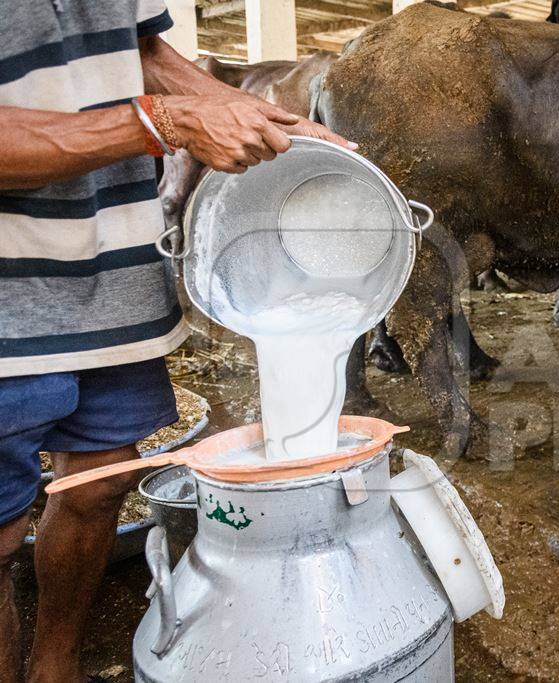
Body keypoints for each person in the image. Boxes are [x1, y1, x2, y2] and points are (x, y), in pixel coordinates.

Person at [0, 2, 354, 680]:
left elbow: (141, 53)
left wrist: (282, 126)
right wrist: (165, 123)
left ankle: (55, 665)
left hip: (112, 266)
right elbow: (158, 108)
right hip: (9, 289)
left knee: (102, 483)